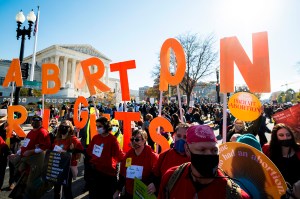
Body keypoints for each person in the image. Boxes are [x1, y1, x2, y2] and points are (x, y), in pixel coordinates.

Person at [158, 125, 251, 199]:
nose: (209, 155)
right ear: (187, 149)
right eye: (202, 150)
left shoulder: (236, 195)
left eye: (214, 150)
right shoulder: (171, 179)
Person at [9, 115, 51, 198]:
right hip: (26, 158)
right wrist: (17, 153)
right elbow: (25, 145)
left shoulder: (42, 132)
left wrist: (31, 151)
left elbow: (46, 146)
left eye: (37, 122)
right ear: (31, 122)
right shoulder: (31, 132)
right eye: (34, 121)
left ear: (41, 123)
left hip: (36, 158)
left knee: (32, 181)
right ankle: (26, 193)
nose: (35, 123)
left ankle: (33, 195)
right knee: (22, 174)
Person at [86, 116, 125, 199]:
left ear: (106, 126)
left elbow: (119, 155)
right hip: (95, 173)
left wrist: (130, 158)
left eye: (99, 126)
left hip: (108, 175)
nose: (97, 128)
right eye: (97, 126)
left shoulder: (112, 140)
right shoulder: (95, 138)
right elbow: (89, 151)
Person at [114, 129, 158, 198]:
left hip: (143, 194)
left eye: (137, 140)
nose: (134, 142)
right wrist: (118, 191)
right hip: (129, 193)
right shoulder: (128, 155)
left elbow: (158, 175)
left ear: (144, 140)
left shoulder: (152, 156)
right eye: (132, 139)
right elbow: (122, 174)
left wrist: (155, 184)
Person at [153, 123, 190, 192]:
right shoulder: (164, 155)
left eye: (185, 137)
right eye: (179, 136)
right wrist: (155, 185)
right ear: (174, 136)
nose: (181, 139)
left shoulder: (194, 159)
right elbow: (156, 175)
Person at [52, 120, 83, 199]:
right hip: (57, 166)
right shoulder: (57, 139)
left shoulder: (73, 139)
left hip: (68, 168)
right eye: (62, 125)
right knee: (56, 190)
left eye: (66, 126)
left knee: (67, 190)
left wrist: (72, 151)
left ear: (70, 128)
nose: (63, 127)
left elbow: (81, 150)